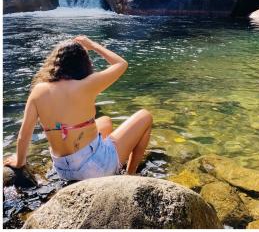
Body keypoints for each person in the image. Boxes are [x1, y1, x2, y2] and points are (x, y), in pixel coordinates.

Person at [4, 36, 153, 181]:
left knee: (105, 121)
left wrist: (19, 162)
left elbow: (24, 135)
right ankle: (130, 176)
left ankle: (95, 153)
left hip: (63, 170)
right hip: (96, 169)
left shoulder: (38, 91)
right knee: (145, 116)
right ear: (83, 64)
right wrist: (93, 45)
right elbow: (121, 64)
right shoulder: (87, 84)